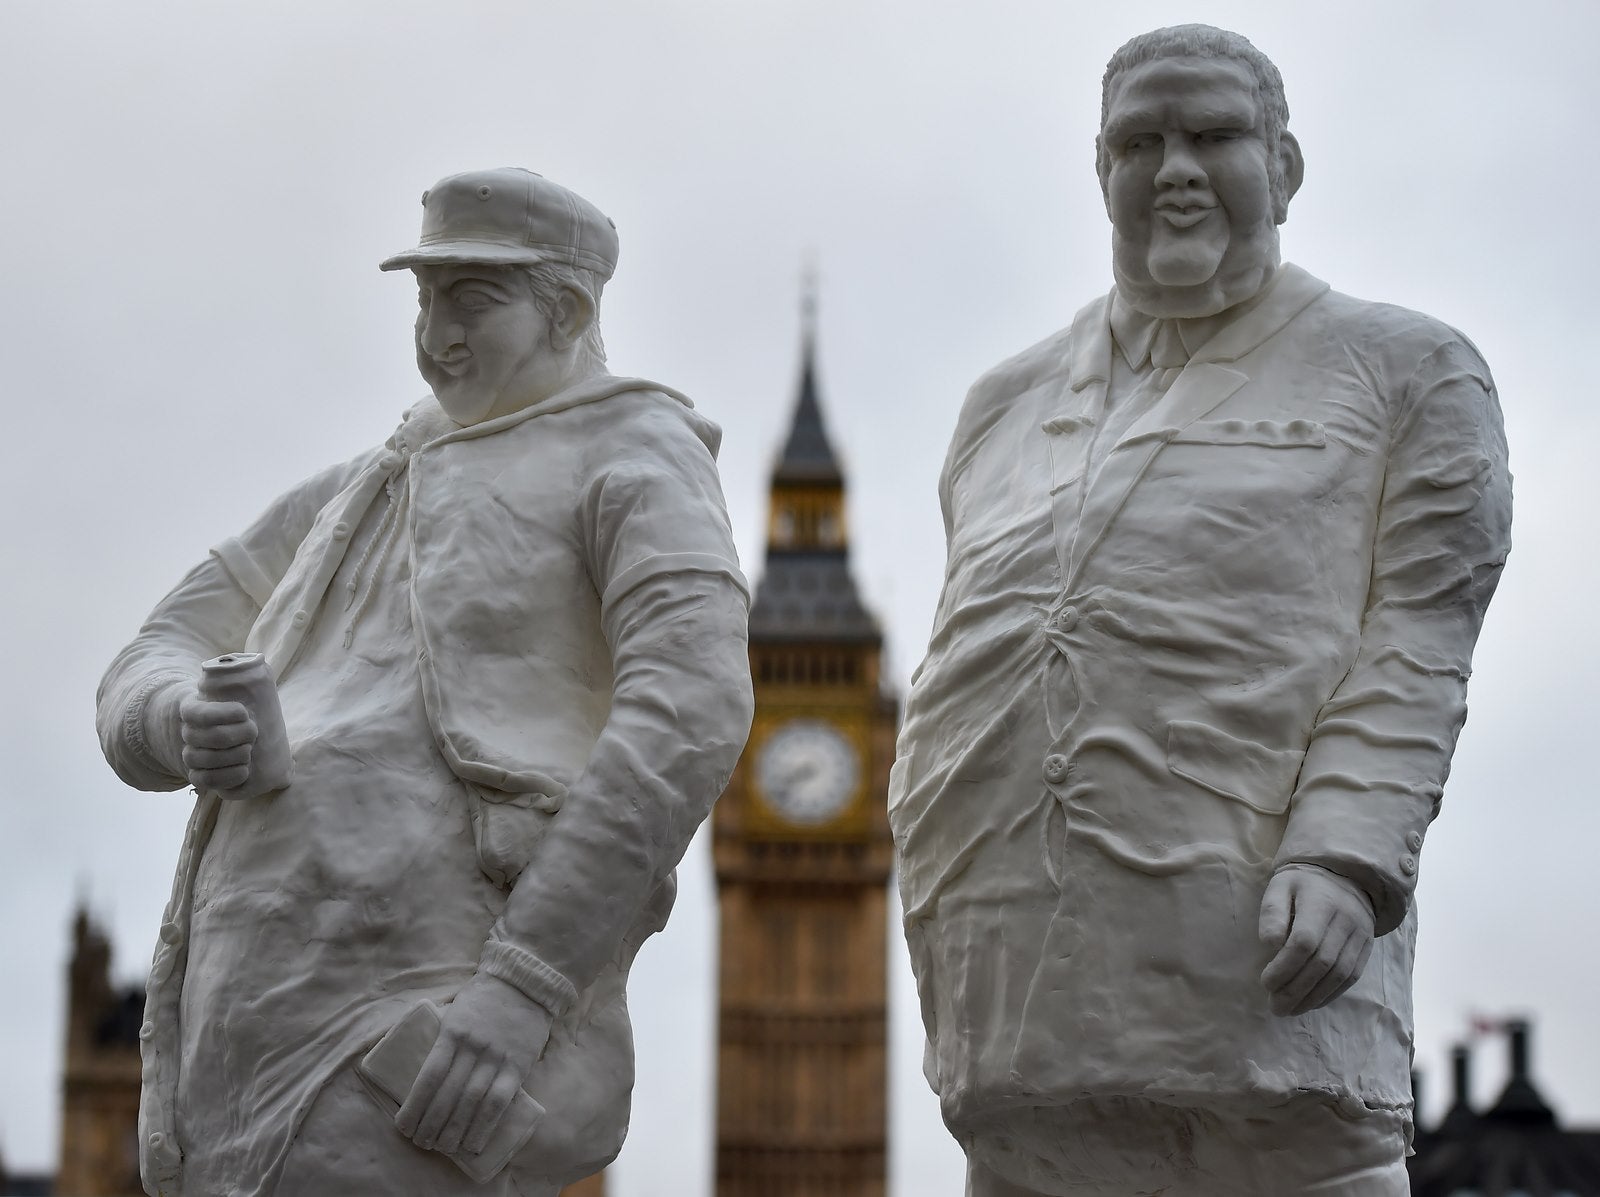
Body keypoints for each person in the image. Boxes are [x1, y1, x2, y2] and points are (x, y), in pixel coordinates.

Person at [888, 26, 1511, 1197]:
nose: (1174, 167)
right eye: (1141, 141)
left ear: (1284, 165)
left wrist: (1347, 857)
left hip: (1256, 982)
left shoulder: (1407, 370)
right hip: (1008, 1011)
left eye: (1213, 136)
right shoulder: (1002, 404)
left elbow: (1419, 638)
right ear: (1100, 168)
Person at [96, 167, 754, 1197]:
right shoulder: (364, 486)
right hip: (244, 1041)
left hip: (425, 1033)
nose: (436, 334)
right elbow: (156, 646)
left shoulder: (634, 454)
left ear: (569, 310)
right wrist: (179, 721)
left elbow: (689, 711)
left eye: (472, 300)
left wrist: (521, 995)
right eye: (424, 299)